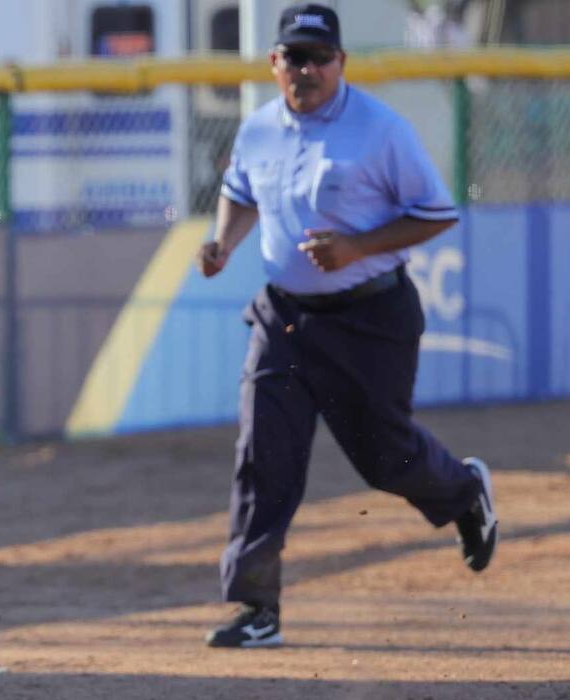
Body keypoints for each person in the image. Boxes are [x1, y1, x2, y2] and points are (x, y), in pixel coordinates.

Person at [196, 4, 498, 648]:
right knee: (263, 455)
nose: (304, 70)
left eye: (317, 57)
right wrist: (221, 243)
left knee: (384, 456)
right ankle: (256, 607)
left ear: (341, 63)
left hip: (371, 316)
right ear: (274, 62)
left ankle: (464, 492)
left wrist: (357, 248)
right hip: (285, 317)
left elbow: (436, 213)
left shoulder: (380, 129)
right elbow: (240, 192)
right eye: (293, 57)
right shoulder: (258, 129)